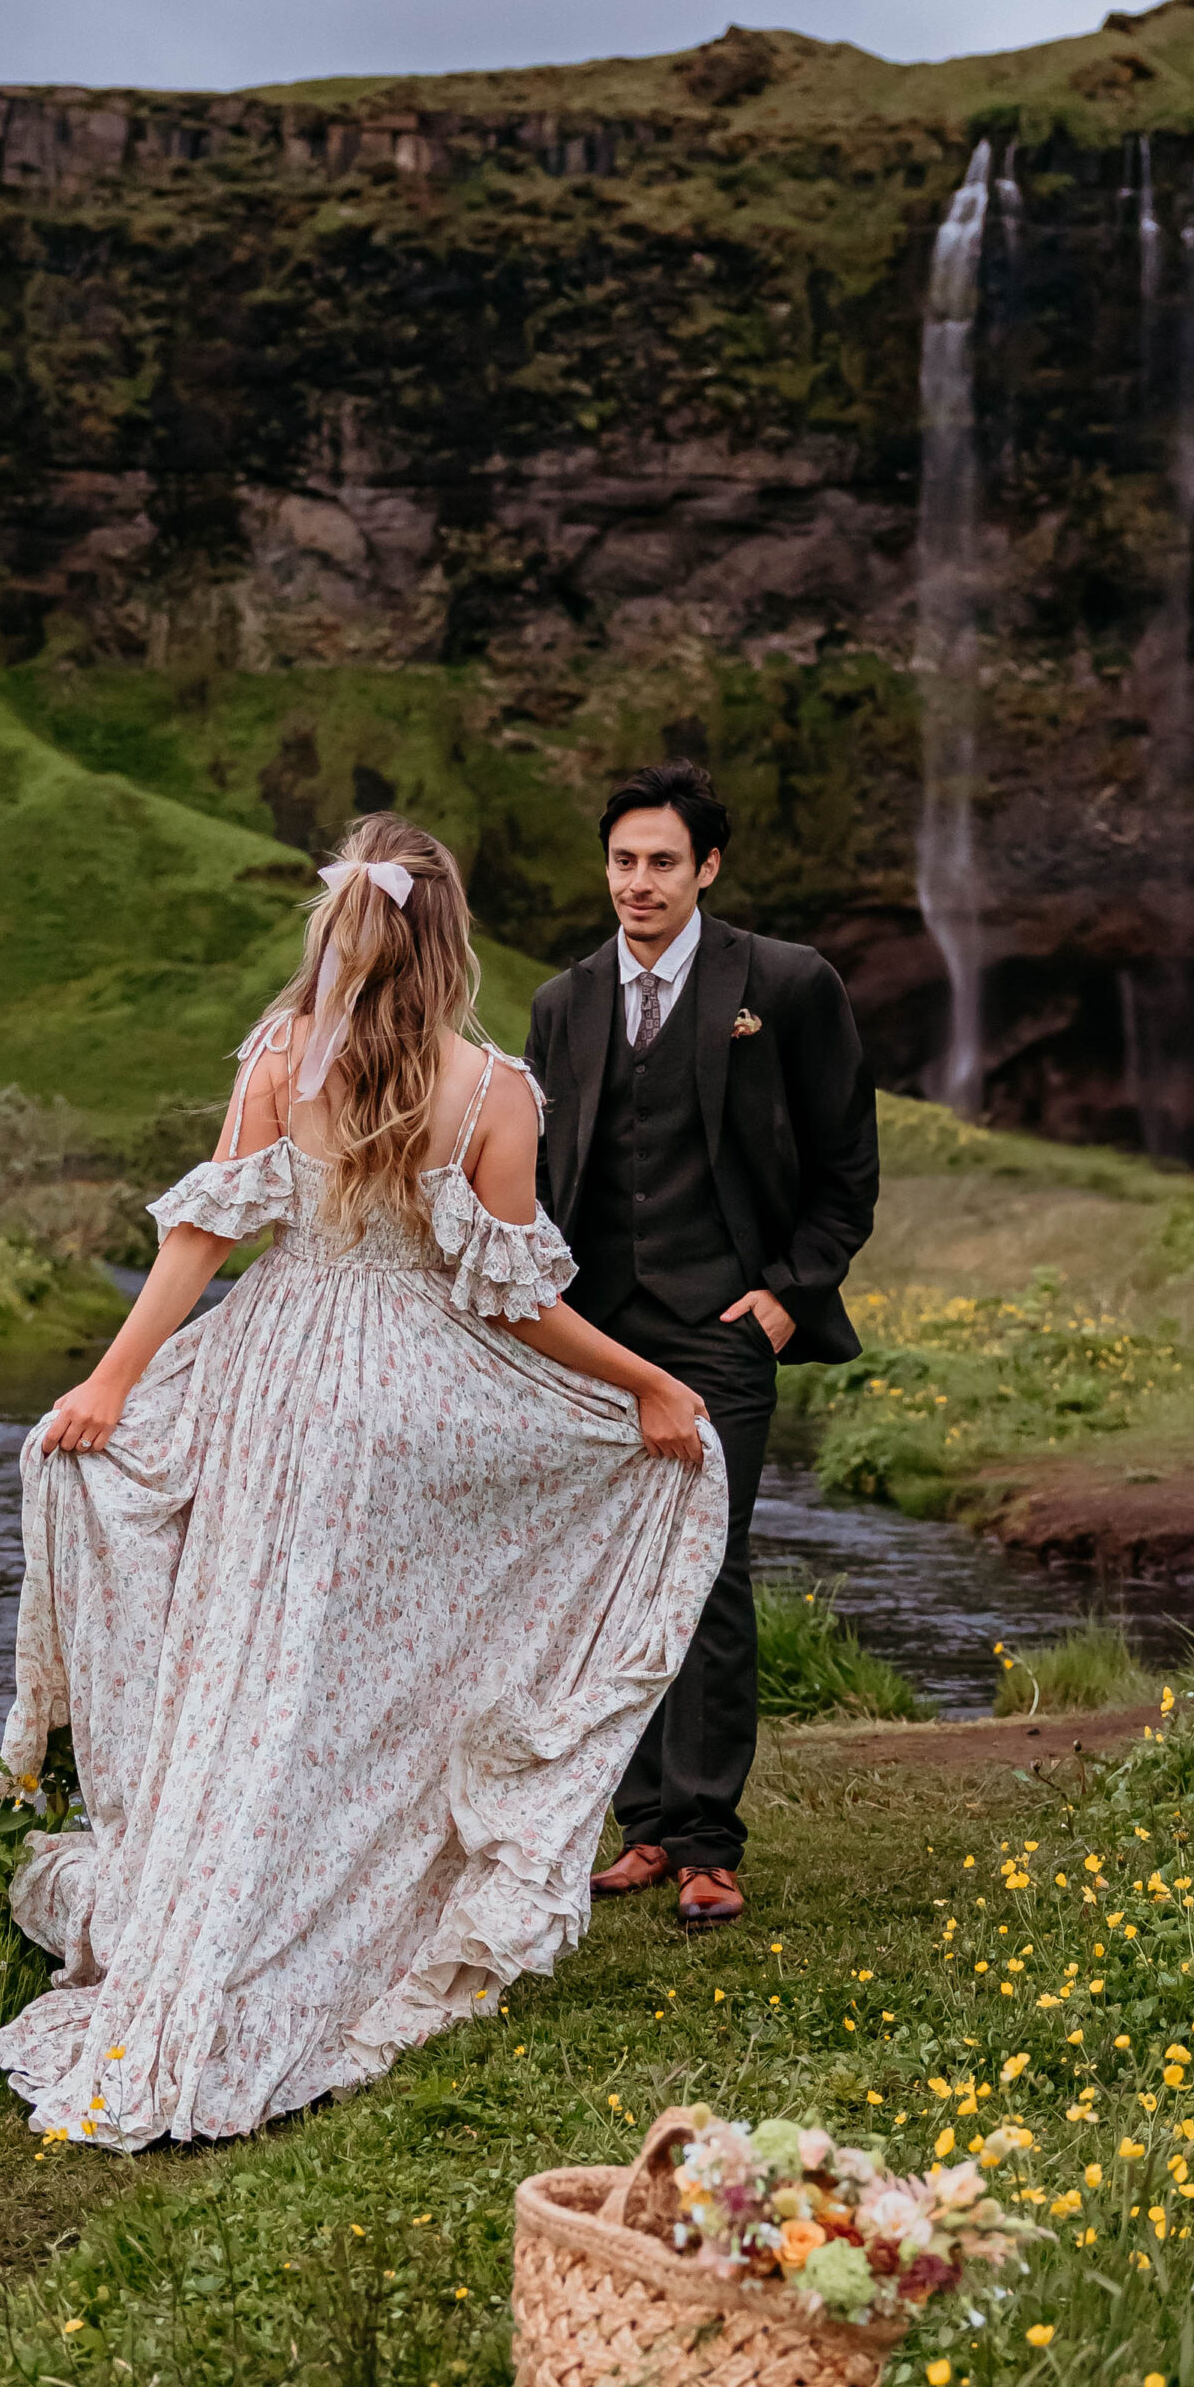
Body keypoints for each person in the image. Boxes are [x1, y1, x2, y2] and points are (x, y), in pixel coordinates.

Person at [0, 814, 727, 2150]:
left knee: (248, 1674)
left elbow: (204, 1237)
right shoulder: (496, 1091)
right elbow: (513, 1307)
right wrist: (647, 1386)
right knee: (362, 1685)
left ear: (341, 928)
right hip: (404, 1402)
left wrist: (108, 1384)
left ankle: (207, 1937)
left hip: (270, 1385)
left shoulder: (277, 1057)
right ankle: (329, 1930)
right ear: (453, 942)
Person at [524, 761, 880, 1929]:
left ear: (706, 867)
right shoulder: (562, 1002)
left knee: (707, 1573)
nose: (638, 882)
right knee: (602, 1577)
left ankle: (709, 1844)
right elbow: (536, 1180)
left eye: (662, 861)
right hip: (590, 1335)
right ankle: (639, 1827)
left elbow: (845, 1167)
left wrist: (787, 1294)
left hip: (724, 1329)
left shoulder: (783, 983)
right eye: (622, 860)